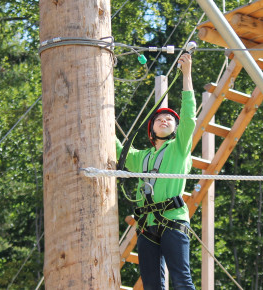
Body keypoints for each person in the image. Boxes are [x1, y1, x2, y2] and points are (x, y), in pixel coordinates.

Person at [116, 53, 196, 290]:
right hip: (146, 225)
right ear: (151, 130)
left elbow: (189, 117)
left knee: (182, 280)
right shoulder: (141, 157)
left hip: (172, 220)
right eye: (160, 118)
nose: (164, 120)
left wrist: (187, 74)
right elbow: (117, 149)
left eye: (169, 120)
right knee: (152, 285)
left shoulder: (179, 148)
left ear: (175, 129)